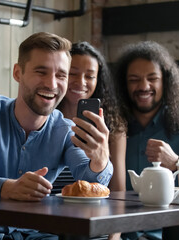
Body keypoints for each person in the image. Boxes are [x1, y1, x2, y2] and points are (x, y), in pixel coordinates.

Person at [0, 32, 113, 239]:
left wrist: (101, 160)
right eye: (41, 72)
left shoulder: (65, 130)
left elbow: (89, 180)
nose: (51, 84)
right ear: (17, 73)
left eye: (61, 75)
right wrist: (8, 188)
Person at [112, 41, 179, 240]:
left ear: (166, 81)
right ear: (123, 85)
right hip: (128, 231)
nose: (144, 86)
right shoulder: (113, 128)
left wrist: (177, 163)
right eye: (134, 79)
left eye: (152, 78)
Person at [57, 41, 126, 240]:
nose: (81, 82)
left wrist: (114, 237)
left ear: (98, 80)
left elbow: (118, 191)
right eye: (73, 73)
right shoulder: (45, 119)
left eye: (90, 76)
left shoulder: (113, 126)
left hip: (95, 226)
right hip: (51, 224)